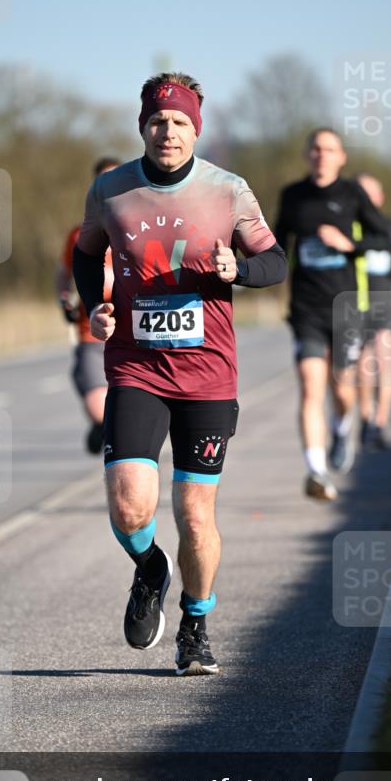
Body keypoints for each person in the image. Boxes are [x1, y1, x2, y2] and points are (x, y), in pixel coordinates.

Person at [73, 72, 286, 675]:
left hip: (208, 377)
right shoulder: (110, 190)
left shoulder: (228, 190)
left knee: (195, 513)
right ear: (143, 126)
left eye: (181, 122)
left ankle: (195, 624)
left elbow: (274, 260)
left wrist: (236, 270)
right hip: (137, 368)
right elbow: (87, 253)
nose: (168, 131)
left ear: (197, 128)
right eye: (158, 121)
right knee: (129, 507)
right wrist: (97, 306)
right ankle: (149, 569)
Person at [275, 128, 391, 501]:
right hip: (306, 309)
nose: (322, 155)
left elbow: (387, 237)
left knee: (342, 388)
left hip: (346, 307)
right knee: (310, 385)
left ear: (341, 157)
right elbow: (277, 247)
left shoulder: (352, 194)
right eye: (315, 148)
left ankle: (342, 427)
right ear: (306, 154)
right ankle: (316, 470)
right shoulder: (293, 196)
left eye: (329, 149)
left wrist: (350, 245)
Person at [56, 157, 120, 454]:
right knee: (100, 410)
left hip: (134, 333)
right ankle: (104, 427)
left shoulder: (142, 226)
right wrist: (64, 299)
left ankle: (118, 439)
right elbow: (63, 274)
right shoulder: (79, 233)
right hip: (91, 332)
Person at [355, 173, 391, 450]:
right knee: (362, 363)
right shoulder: (351, 226)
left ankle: (380, 422)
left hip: (383, 298)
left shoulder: (390, 226)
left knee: (384, 360)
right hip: (356, 299)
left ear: (380, 199)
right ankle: (365, 419)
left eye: (371, 194)